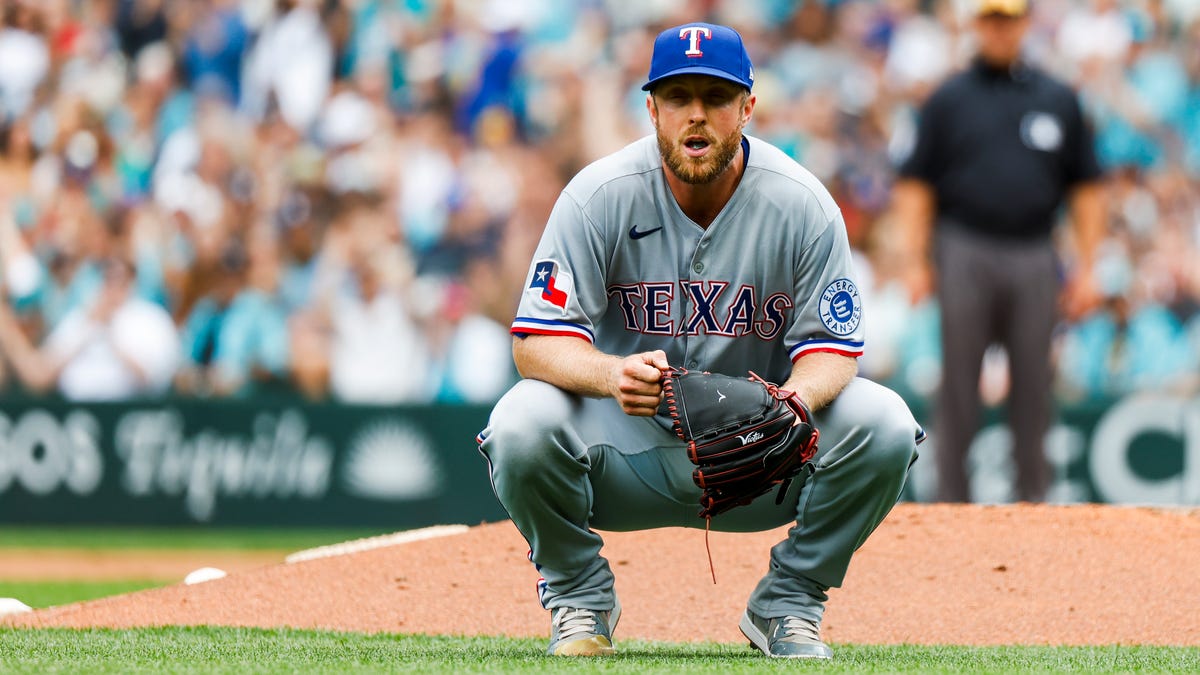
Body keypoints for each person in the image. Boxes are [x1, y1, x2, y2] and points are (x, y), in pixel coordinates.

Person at [477, 22, 923, 660]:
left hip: (762, 457)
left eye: (714, 98)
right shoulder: (598, 196)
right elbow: (535, 345)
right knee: (519, 421)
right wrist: (611, 376)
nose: (696, 115)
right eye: (678, 96)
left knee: (885, 423)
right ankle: (580, 598)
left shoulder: (802, 204)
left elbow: (834, 348)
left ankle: (790, 603)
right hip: (627, 446)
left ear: (747, 106)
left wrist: (791, 403)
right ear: (652, 107)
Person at [890, 0, 1105, 502]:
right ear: (976, 26)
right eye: (991, 20)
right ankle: (950, 504)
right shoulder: (948, 99)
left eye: (1008, 20)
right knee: (959, 382)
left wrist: (1089, 267)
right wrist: (916, 260)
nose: (1000, 31)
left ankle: (1033, 502)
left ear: (1025, 24)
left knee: (1034, 382)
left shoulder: (1058, 98)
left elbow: (1088, 189)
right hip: (964, 246)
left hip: (1034, 250)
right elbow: (915, 185)